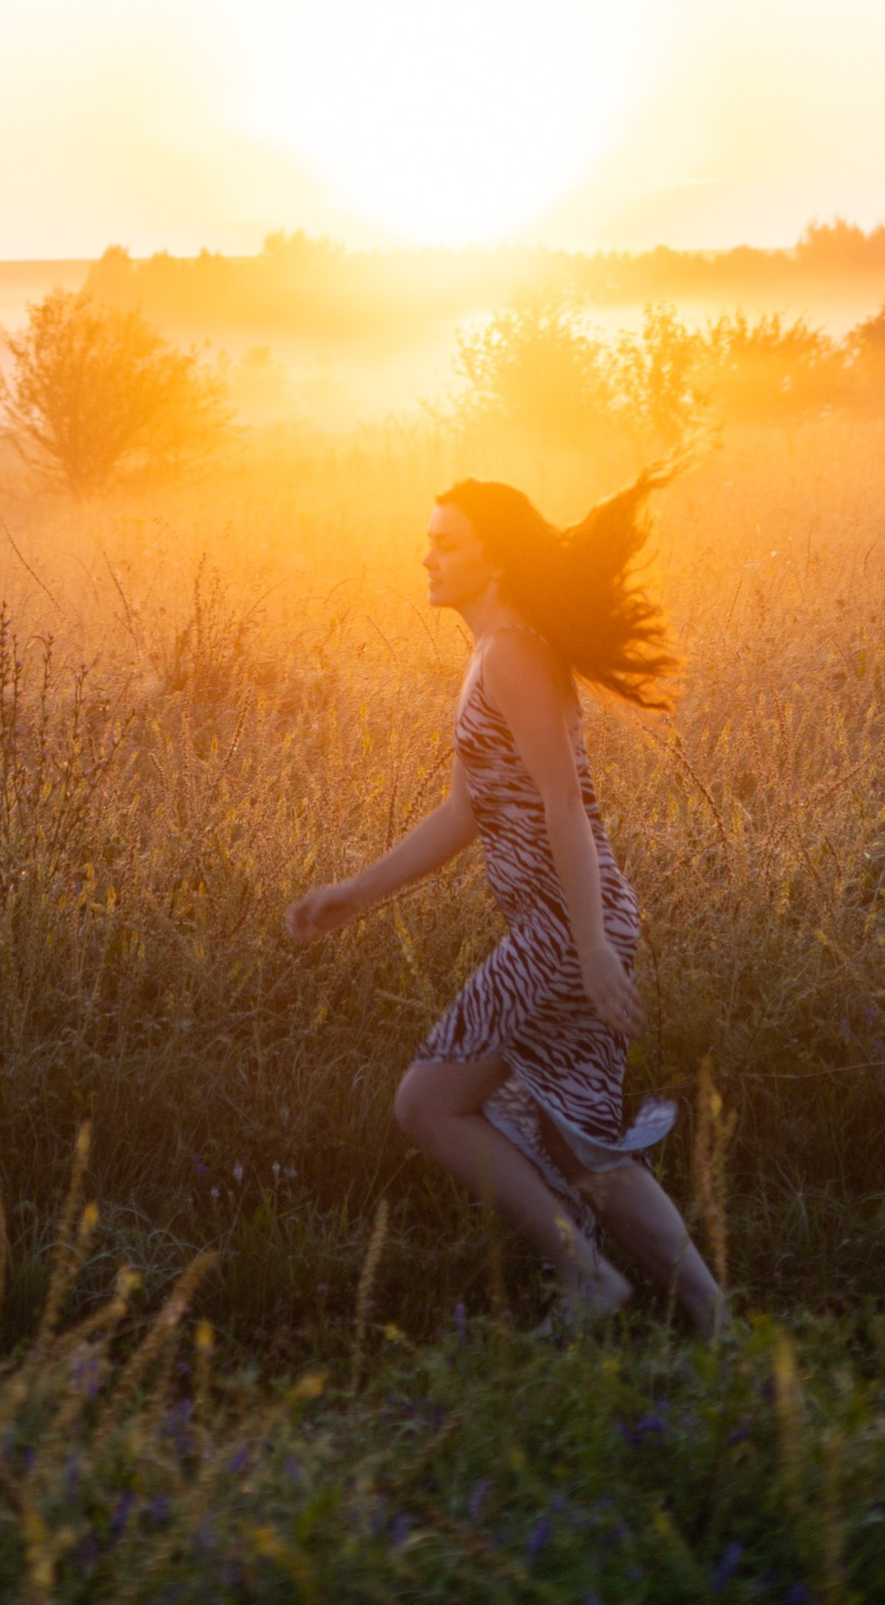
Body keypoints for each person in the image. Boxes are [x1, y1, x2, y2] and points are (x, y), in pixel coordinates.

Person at [286, 470, 724, 1331]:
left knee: (426, 1102)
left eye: (445, 544)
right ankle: (712, 1317)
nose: (427, 557)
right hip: (564, 925)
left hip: (564, 928)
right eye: (429, 540)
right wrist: (354, 896)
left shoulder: (516, 652)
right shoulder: (490, 653)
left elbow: (567, 804)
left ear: (492, 560)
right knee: (582, 1141)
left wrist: (592, 944)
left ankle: (590, 1280)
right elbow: (464, 811)